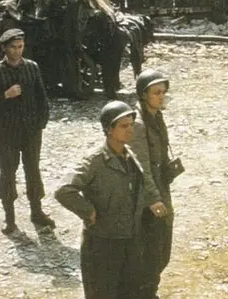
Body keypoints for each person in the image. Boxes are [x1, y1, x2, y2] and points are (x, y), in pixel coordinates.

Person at [56, 101, 167, 299]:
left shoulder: (129, 155)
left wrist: (153, 200)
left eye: (131, 124)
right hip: (102, 245)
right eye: (124, 126)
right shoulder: (94, 161)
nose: (130, 130)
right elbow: (63, 190)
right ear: (109, 129)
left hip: (129, 241)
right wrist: (88, 211)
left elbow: (141, 183)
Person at [0, 28, 55, 234]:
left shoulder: (32, 67)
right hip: (7, 132)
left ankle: (37, 212)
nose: (17, 51)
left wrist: (41, 123)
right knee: (8, 172)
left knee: (33, 170)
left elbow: (42, 98)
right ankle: (9, 218)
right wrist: (5, 95)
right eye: (13, 47)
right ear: (4, 48)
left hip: (31, 130)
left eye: (20, 46)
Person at [130, 71, 178, 299]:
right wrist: (154, 199)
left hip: (160, 188)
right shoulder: (139, 125)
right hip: (147, 196)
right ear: (143, 95)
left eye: (163, 92)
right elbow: (142, 168)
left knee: (162, 248)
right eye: (156, 93)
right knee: (152, 250)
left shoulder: (155, 116)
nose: (161, 97)